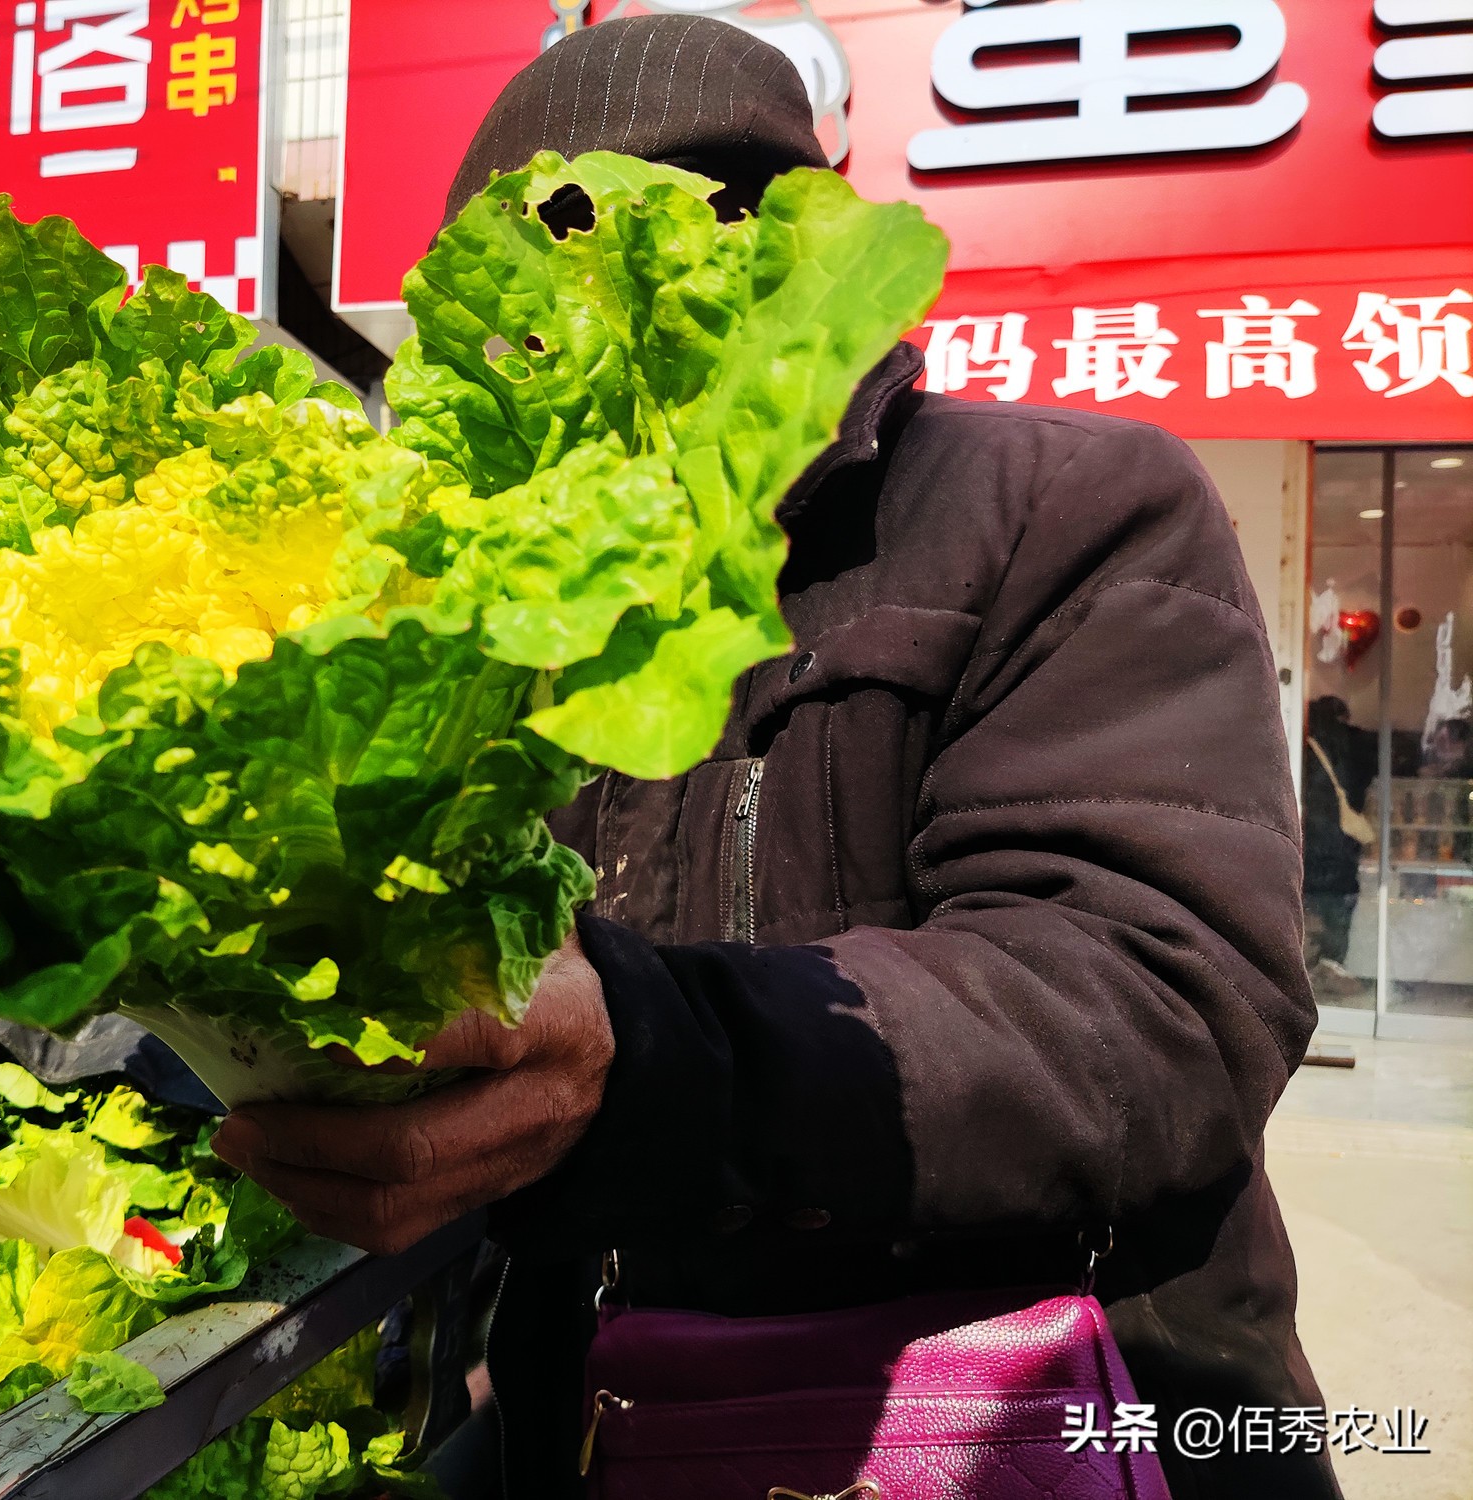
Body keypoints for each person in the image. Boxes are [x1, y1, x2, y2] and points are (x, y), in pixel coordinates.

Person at [212, 18, 1334, 1499]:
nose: (610, 306)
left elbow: (1165, 998)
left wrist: (655, 1059)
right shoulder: (501, 609)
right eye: (524, 275)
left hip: (1031, 1424)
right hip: (620, 1418)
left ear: (798, 247)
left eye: (699, 227)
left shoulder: (1064, 502)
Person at [1302, 695, 1374, 1000]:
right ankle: (1332, 971)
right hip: (1343, 850)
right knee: (1339, 917)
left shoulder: (1304, 747)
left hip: (1312, 848)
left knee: (1311, 918)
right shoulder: (1354, 747)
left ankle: (1310, 979)